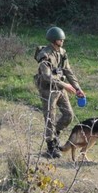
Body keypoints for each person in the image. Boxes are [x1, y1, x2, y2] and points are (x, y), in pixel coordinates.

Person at [34, 26, 86, 159]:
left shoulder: (62, 53)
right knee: (50, 117)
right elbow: (46, 76)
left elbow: (68, 71)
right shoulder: (44, 55)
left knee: (69, 115)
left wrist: (77, 88)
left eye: (62, 39)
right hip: (48, 90)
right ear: (53, 40)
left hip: (61, 89)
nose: (62, 41)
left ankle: (54, 135)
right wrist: (65, 85)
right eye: (59, 39)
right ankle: (51, 146)